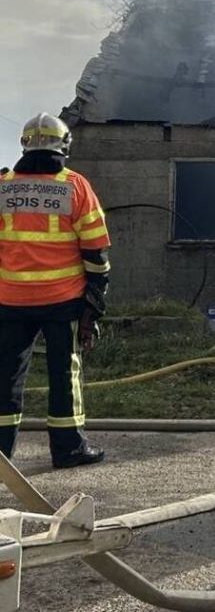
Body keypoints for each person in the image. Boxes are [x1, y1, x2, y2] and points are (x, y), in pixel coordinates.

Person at [0, 113, 110, 468]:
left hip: (9, 300)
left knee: (5, 374)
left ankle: (1, 454)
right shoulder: (76, 186)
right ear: (64, 146)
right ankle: (68, 449)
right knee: (65, 372)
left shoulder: (2, 186)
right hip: (64, 300)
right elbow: (95, 251)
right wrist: (96, 297)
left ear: (24, 145)